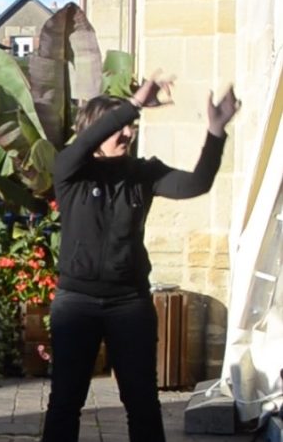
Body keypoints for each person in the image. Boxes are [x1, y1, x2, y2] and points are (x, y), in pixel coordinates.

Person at [42, 79, 239, 442]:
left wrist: (215, 131)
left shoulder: (143, 174)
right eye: (119, 126)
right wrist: (132, 104)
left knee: (142, 403)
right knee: (65, 402)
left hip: (129, 303)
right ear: (94, 129)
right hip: (76, 303)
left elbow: (196, 184)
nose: (128, 133)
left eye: (132, 126)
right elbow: (83, 144)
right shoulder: (70, 171)